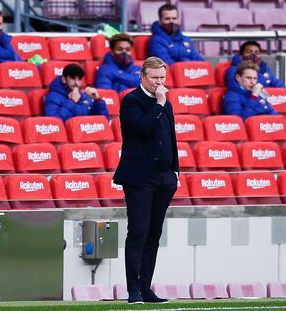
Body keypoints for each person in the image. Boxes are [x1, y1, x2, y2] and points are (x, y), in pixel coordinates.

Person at [113, 56, 179, 304]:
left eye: (162, 77)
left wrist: (175, 170)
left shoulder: (166, 105)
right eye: (154, 78)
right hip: (140, 177)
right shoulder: (131, 101)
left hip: (164, 176)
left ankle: (146, 287)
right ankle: (133, 291)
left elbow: (170, 137)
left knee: (154, 233)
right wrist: (160, 104)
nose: (159, 82)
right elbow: (144, 127)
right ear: (143, 77)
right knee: (138, 231)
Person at [44, 64, 109, 122]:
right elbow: (53, 123)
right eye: (73, 78)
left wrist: (98, 100)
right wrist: (71, 101)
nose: (76, 83)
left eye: (79, 79)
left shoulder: (83, 96)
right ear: (64, 79)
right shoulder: (52, 97)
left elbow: (104, 121)